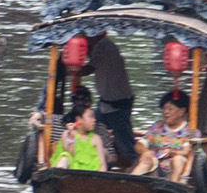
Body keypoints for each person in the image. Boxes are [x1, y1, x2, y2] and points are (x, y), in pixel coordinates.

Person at [83, 29, 138, 168]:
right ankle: (98, 164)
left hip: (116, 105)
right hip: (105, 104)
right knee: (94, 132)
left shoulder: (103, 46)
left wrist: (70, 70)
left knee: (126, 145)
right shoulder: (102, 46)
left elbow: (88, 69)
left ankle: (141, 169)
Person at [136, 89, 197, 182]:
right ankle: (128, 186)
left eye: (170, 109)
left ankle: (174, 188)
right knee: (147, 160)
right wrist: (145, 151)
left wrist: (173, 153)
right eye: (164, 108)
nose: (166, 112)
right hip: (156, 169)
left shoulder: (191, 131)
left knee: (178, 159)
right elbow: (139, 144)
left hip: (179, 171)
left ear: (182, 111)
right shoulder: (156, 127)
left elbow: (187, 152)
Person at [50, 97, 106, 171]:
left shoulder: (96, 138)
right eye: (90, 117)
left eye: (93, 117)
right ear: (79, 119)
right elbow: (70, 154)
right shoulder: (66, 134)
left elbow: (102, 164)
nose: (94, 120)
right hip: (70, 173)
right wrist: (72, 137)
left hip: (91, 175)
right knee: (64, 158)